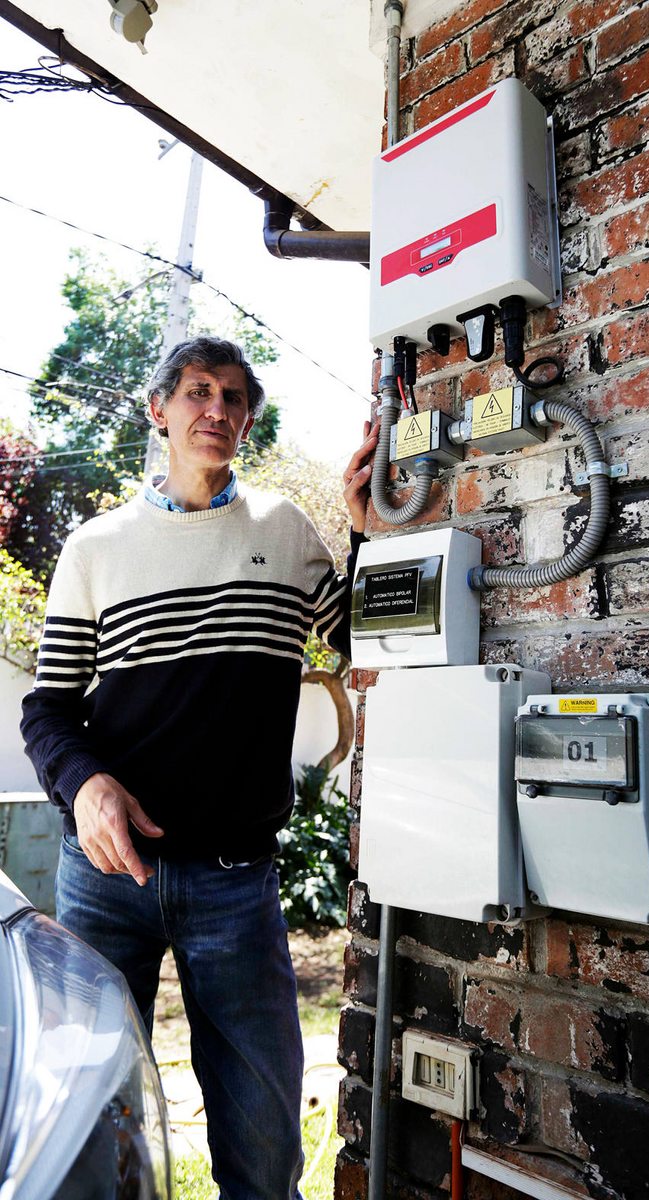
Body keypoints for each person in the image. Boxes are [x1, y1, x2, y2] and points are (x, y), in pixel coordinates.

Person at [20, 335, 377, 1200]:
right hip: (105, 877)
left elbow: (367, 637)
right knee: (90, 1129)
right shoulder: (97, 547)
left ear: (247, 419)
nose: (216, 410)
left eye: (233, 397)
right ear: (160, 411)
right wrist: (87, 783)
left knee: (263, 1144)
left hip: (234, 879)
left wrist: (365, 532)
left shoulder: (286, 531)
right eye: (196, 392)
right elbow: (46, 709)